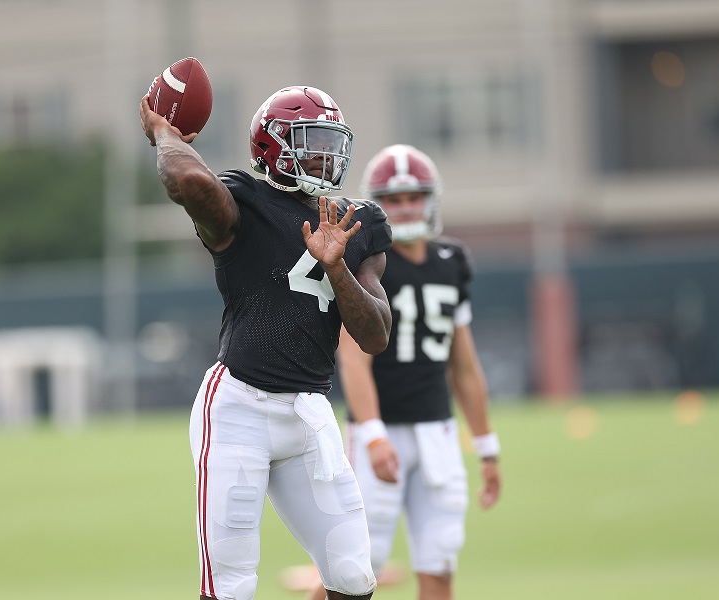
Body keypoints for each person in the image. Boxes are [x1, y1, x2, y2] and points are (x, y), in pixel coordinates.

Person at [139, 85, 393, 600]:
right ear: (274, 147)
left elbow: (375, 336)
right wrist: (165, 133)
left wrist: (337, 266)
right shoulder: (246, 204)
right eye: (311, 140)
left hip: (308, 414)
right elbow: (187, 178)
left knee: (352, 577)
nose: (326, 154)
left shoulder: (357, 223)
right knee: (230, 587)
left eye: (330, 140)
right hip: (239, 409)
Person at [308, 144, 501, 600]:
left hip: (438, 431)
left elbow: (464, 366)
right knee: (354, 569)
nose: (405, 207)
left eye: (414, 196)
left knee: (440, 561)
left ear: (431, 198)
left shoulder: (453, 261)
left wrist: (487, 445)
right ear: (376, 204)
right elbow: (353, 357)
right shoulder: (369, 260)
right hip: (381, 431)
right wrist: (373, 434)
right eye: (393, 200)